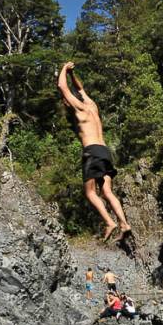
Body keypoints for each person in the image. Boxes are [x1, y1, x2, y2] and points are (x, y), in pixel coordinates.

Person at [57, 61, 131, 241]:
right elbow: (80, 89)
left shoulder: (80, 109)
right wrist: (73, 74)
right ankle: (124, 224)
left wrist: (64, 70)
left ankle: (109, 222)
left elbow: (61, 86)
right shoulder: (92, 105)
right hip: (105, 152)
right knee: (107, 192)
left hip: (91, 152)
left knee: (90, 193)